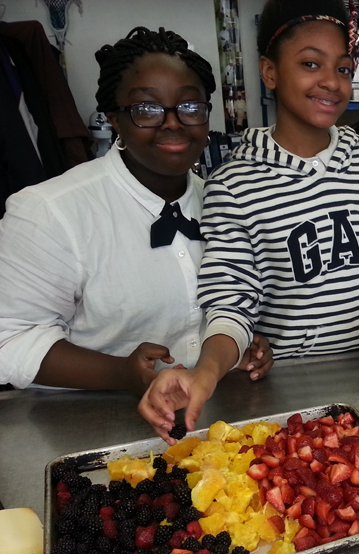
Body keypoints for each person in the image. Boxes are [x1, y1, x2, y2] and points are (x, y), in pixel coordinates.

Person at [140, 0, 359, 442]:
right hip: (287, 395)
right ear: (269, 72)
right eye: (310, 64)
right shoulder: (233, 185)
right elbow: (231, 302)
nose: (331, 82)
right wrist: (206, 372)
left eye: (343, 68)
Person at [0, 27, 269, 394]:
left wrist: (241, 348)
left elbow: (232, 304)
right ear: (115, 119)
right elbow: (10, 339)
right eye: (147, 109)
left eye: (190, 107)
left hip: (211, 416)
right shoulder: (49, 212)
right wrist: (121, 373)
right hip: (80, 420)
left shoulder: (226, 203)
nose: (173, 122)